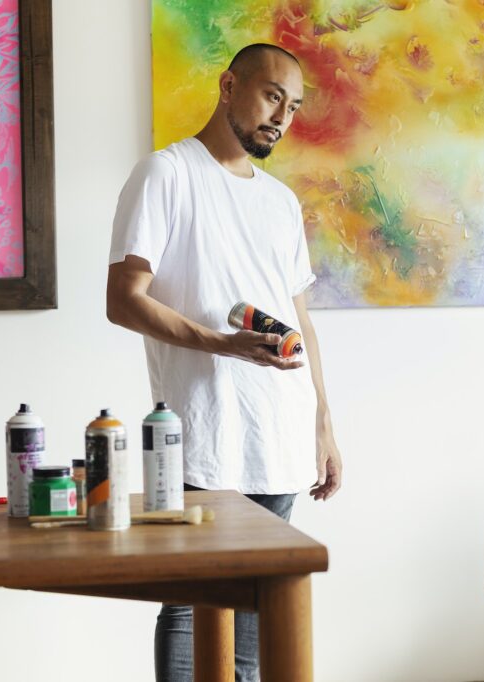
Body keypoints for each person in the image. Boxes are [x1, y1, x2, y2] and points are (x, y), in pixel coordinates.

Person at [106, 43, 343, 682]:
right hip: (201, 432)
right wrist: (221, 344)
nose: (281, 117)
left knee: (261, 609)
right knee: (191, 604)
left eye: (292, 107)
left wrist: (322, 422)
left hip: (280, 431)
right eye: (271, 96)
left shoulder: (281, 201)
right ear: (228, 84)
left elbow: (301, 321)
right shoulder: (166, 173)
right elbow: (123, 301)